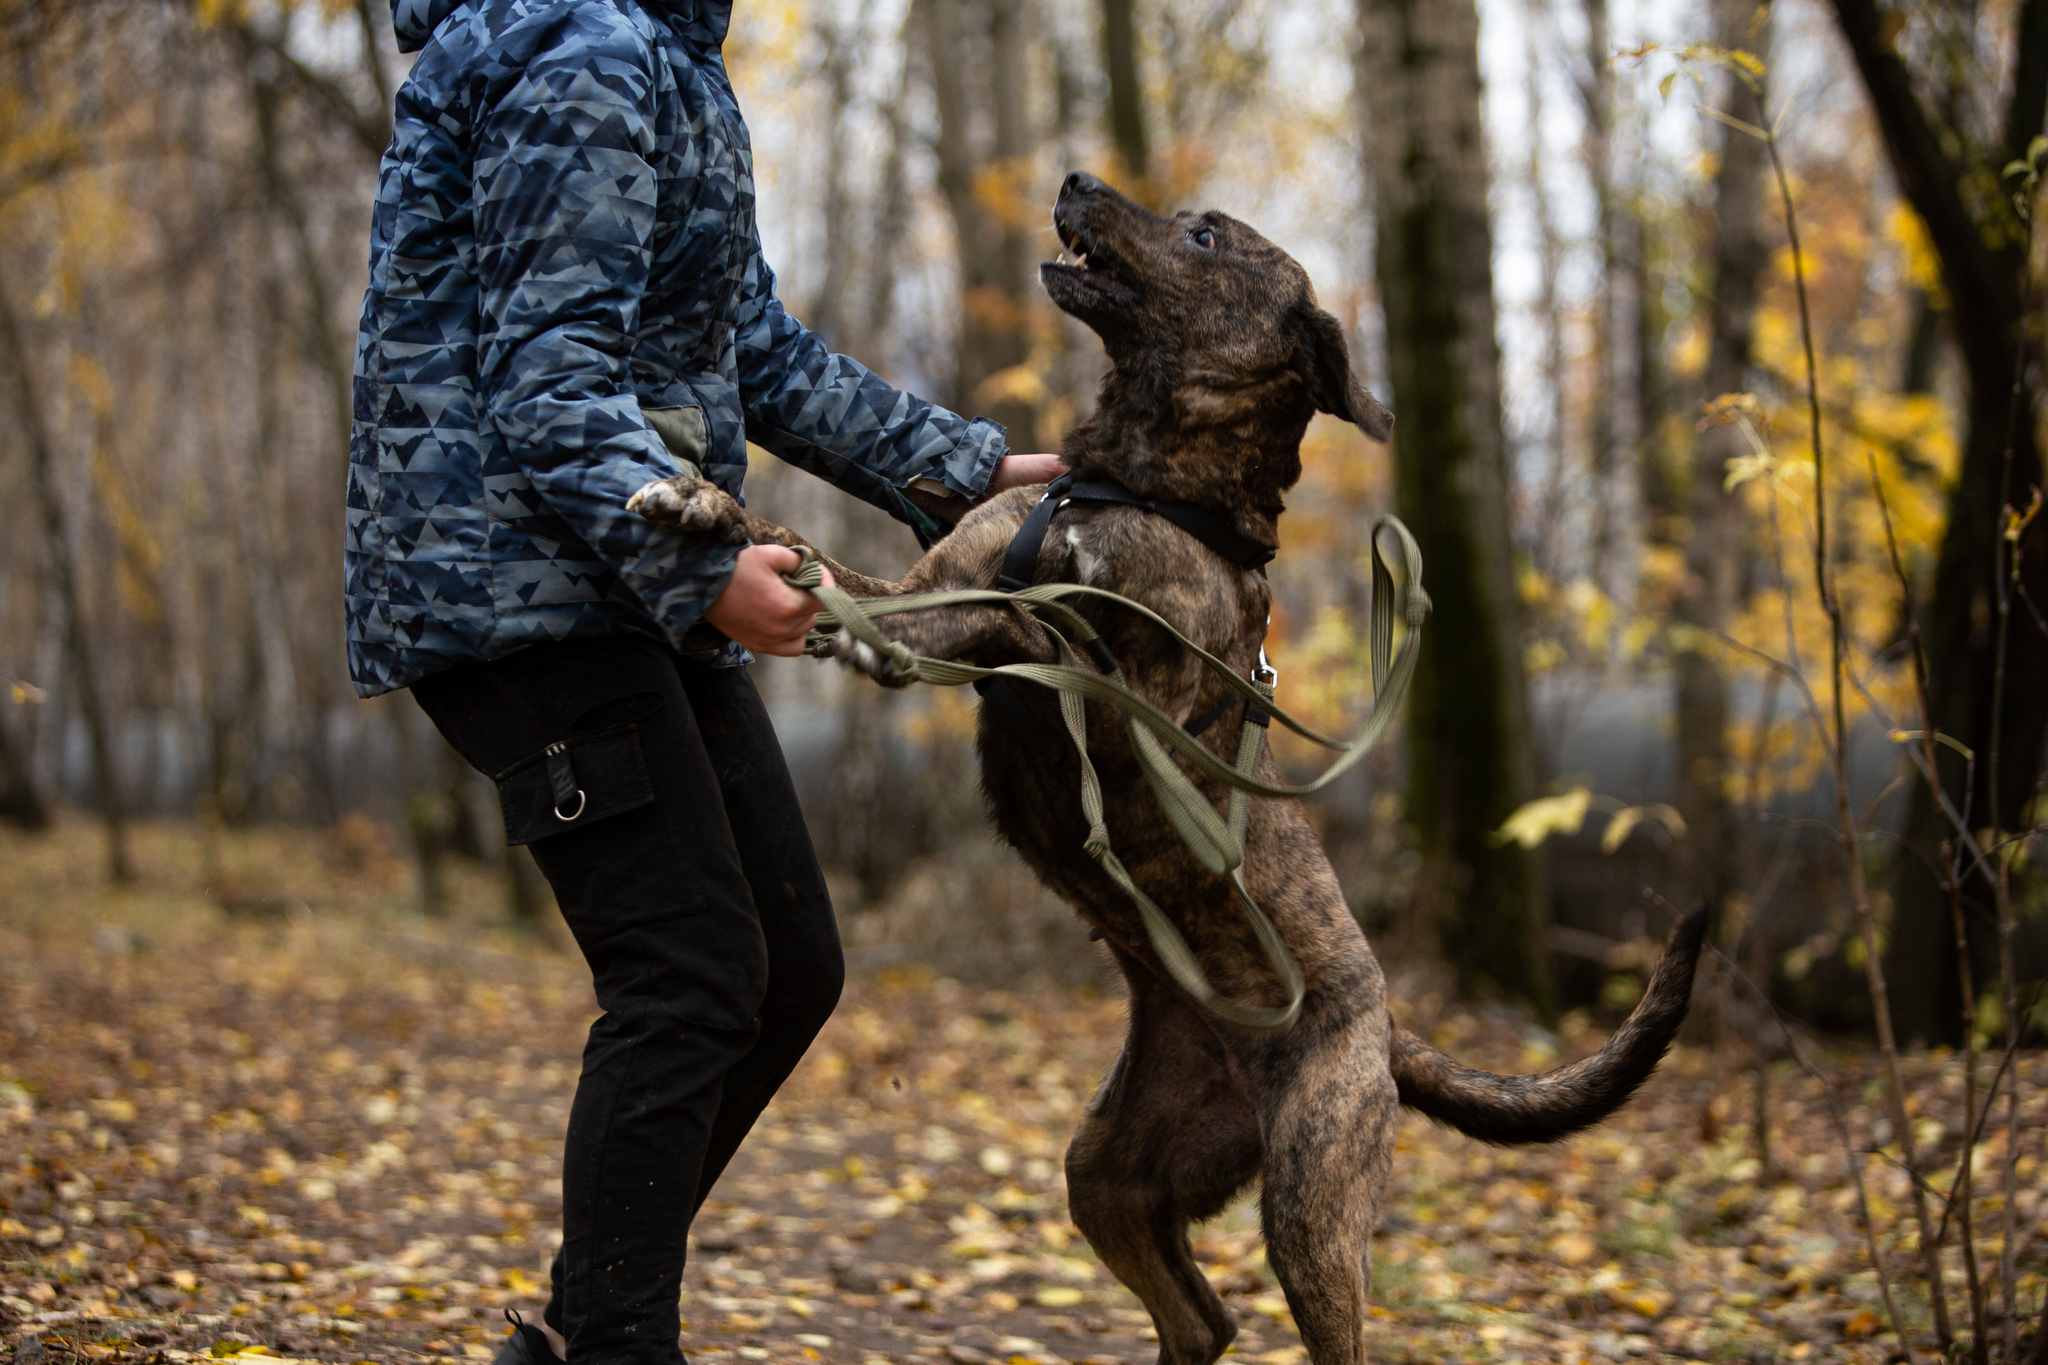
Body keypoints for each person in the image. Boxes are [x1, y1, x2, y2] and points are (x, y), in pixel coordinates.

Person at [345, 3, 1064, 1362]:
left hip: (617, 576)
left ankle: (582, 1329)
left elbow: (746, 345)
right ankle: (612, 1344)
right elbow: (549, 382)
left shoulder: (665, 56)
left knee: (782, 967)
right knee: (690, 973)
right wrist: (698, 577)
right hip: (522, 586)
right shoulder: (585, 49)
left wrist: (959, 474)